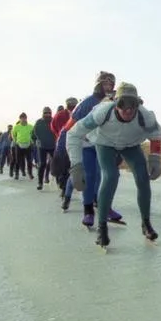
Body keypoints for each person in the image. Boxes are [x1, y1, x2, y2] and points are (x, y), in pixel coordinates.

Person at [67, 83, 161, 248]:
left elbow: (156, 134)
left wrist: (155, 157)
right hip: (105, 143)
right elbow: (73, 134)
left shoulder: (145, 116)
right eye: (122, 104)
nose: (127, 110)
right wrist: (76, 166)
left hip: (131, 145)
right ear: (115, 103)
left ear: (138, 104)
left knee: (142, 178)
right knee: (110, 176)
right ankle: (102, 228)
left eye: (132, 105)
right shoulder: (102, 112)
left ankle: (146, 223)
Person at [63, 71, 121, 228]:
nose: (109, 86)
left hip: (105, 145)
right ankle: (87, 210)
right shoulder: (86, 103)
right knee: (89, 176)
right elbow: (69, 127)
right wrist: (60, 148)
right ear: (98, 85)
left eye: (111, 84)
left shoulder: (116, 101)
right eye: (105, 83)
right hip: (87, 146)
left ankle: (105, 206)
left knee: (109, 176)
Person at [32, 107, 57, 190]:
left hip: (53, 145)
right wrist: (37, 140)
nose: (47, 114)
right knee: (42, 164)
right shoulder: (39, 122)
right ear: (43, 113)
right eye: (46, 113)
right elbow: (34, 133)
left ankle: (58, 180)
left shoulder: (54, 120)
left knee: (56, 163)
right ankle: (40, 182)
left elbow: (57, 131)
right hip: (42, 146)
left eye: (49, 113)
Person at [11, 113, 35, 180]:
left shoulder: (30, 126)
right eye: (22, 118)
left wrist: (32, 141)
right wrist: (15, 140)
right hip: (19, 145)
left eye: (24, 118)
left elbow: (34, 134)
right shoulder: (16, 127)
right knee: (18, 161)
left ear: (26, 118)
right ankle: (17, 174)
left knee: (29, 161)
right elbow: (13, 134)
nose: (23, 119)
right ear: (20, 119)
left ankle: (30, 173)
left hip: (28, 145)